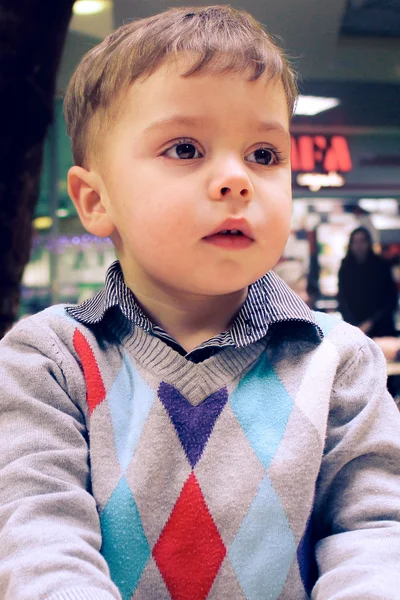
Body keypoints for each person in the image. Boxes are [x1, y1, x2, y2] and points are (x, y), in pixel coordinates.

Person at [1, 6, 400, 599]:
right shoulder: (48, 359)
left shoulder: (339, 361)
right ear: (94, 199)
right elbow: (37, 536)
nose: (236, 180)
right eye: (186, 148)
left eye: (264, 155)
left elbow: (375, 534)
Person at [338, 226, 398, 337]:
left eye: (362, 241)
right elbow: (342, 298)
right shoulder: (345, 268)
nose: (359, 246)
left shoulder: (382, 266)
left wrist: (370, 323)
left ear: (369, 243)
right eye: (355, 242)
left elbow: (390, 300)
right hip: (354, 327)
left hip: (381, 328)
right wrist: (354, 324)